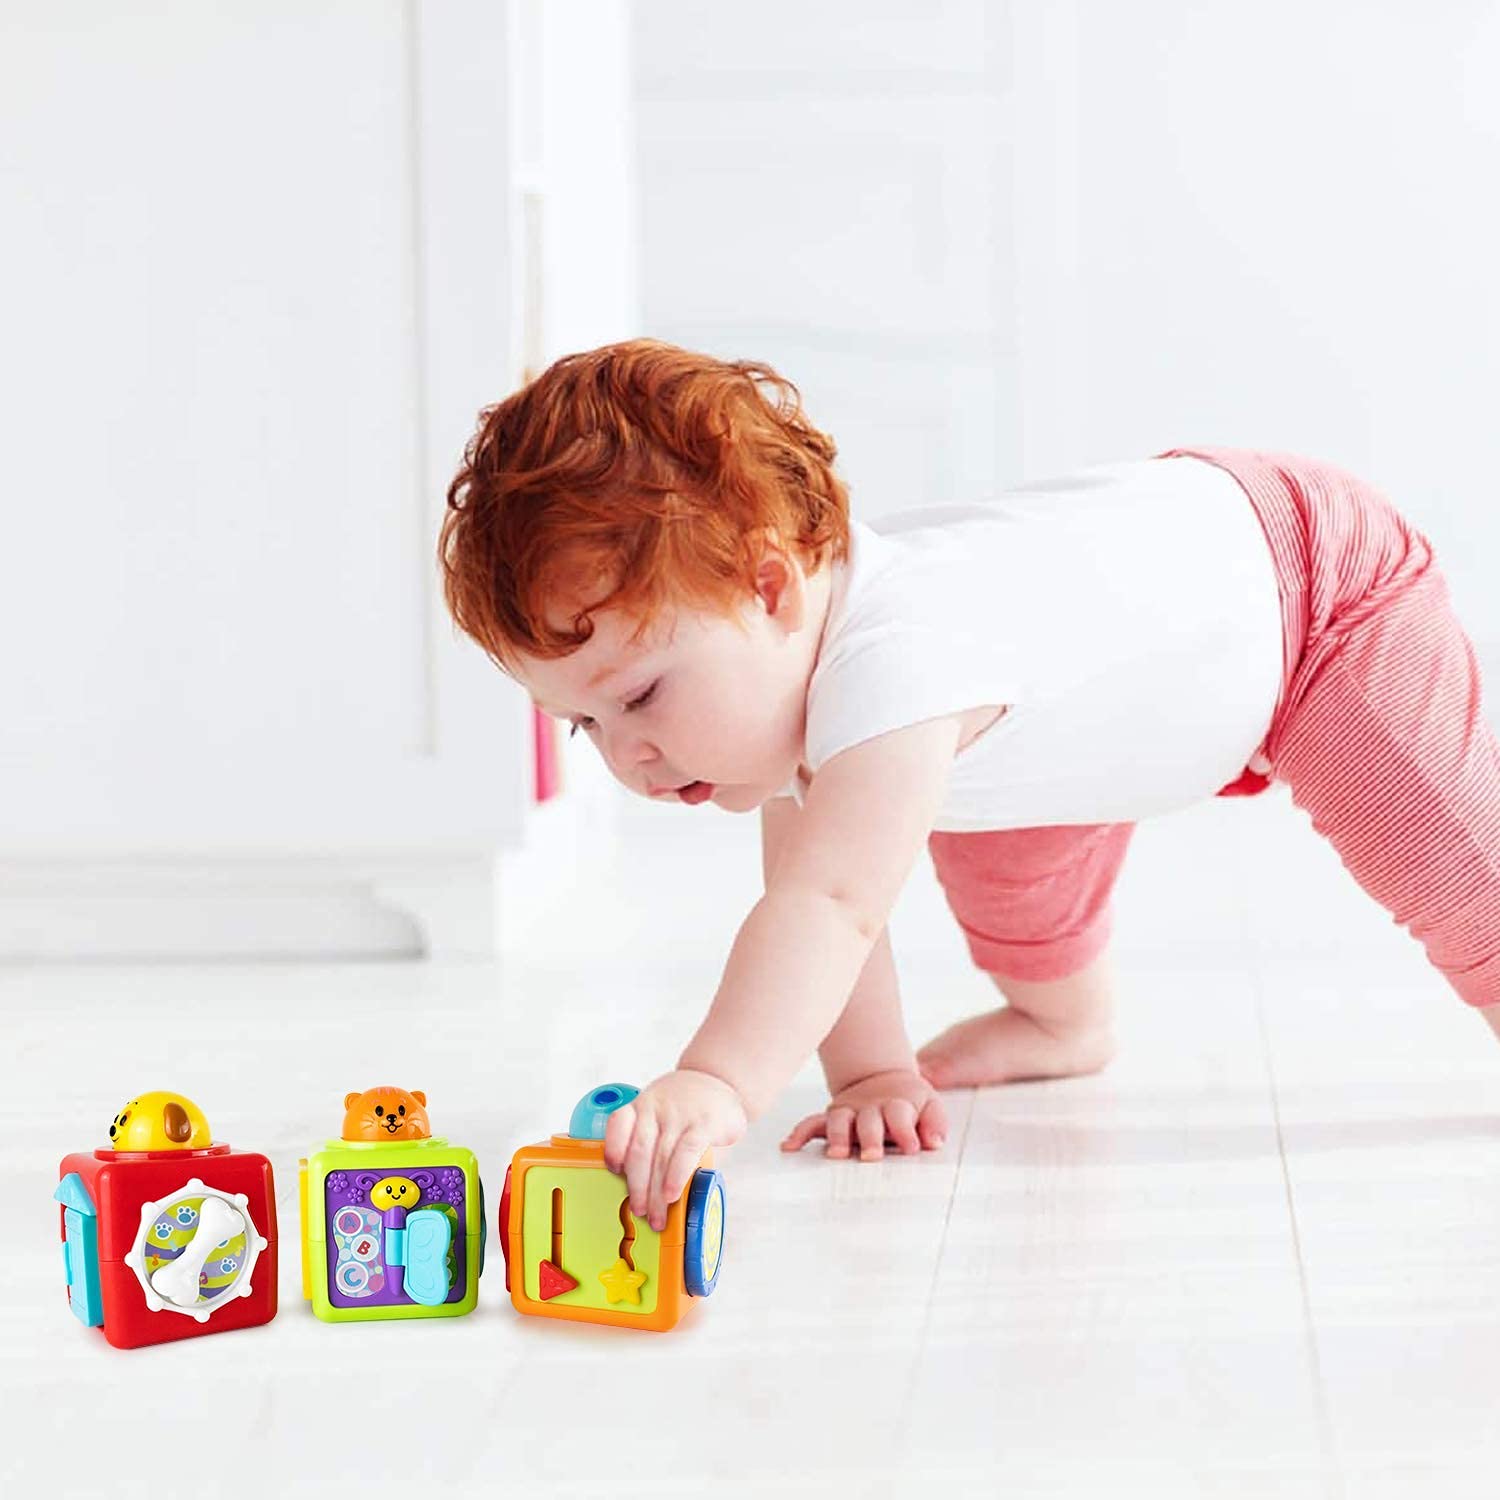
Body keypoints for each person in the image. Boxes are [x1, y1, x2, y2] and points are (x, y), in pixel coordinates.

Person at [439, 338, 1500, 1234]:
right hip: (1099, 717)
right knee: (1009, 883)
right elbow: (814, 900)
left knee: (1454, 866)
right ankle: (1062, 1022)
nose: (627, 755)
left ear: (767, 588)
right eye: (584, 724)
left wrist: (717, 1082)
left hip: (1308, 594)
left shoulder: (897, 662)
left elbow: (831, 912)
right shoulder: (803, 699)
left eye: (641, 695)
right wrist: (871, 1081)